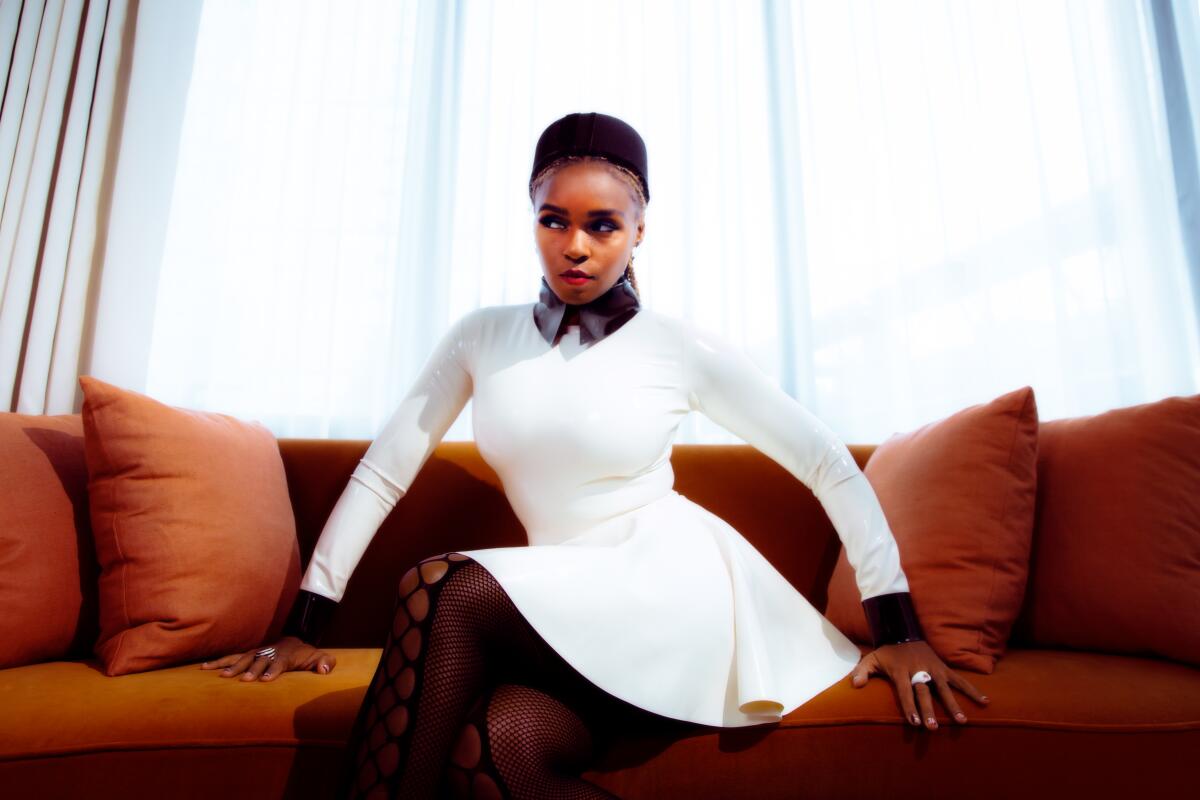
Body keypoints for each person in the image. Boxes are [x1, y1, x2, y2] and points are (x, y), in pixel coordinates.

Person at [201, 112, 990, 799]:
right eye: (554, 220)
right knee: (494, 752)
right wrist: (306, 620)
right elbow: (383, 472)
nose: (574, 246)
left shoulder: (678, 347)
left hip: (669, 589)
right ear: (534, 221)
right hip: (564, 604)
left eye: (602, 225)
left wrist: (896, 624)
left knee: (438, 588)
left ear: (640, 229)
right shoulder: (483, 336)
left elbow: (825, 458)